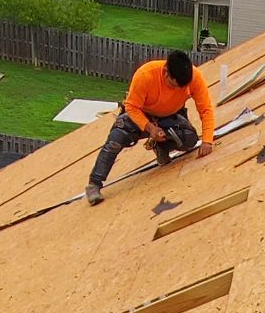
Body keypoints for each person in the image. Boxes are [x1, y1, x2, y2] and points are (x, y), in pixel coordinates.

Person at [86, 49, 215, 203]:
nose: (178, 89)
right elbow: (132, 108)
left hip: (169, 117)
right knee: (116, 139)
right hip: (139, 115)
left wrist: (207, 140)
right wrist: (151, 128)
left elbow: (206, 110)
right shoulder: (145, 75)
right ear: (166, 72)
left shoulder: (195, 77)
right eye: (174, 85)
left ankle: (162, 147)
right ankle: (94, 184)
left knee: (189, 139)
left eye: (182, 87)